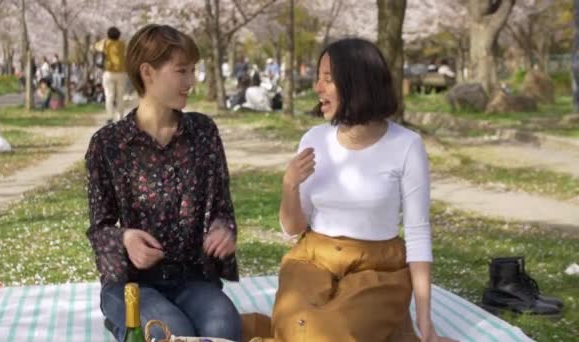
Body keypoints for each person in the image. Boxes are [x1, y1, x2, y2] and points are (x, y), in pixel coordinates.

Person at [267, 38, 456, 342]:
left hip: (378, 268)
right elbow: (293, 229)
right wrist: (289, 186)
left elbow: (418, 235)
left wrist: (426, 325)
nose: (317, 87)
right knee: (295, 323)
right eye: (319, 78)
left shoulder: (406, 145)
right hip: (312, 258)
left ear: (357, 84)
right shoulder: (313, 139)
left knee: (330, 333)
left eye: (328, 79)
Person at [85, 24, 242, 342]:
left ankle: (130, 328)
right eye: (182, 71)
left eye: (193, 71)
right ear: (148, 72)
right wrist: (127, 238)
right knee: (173, 333)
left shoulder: (203, 133)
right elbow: (99, 228)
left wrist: (223, 230)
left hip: (192, 278)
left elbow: (222, 210)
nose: (191, 81)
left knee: (224, 330)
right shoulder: (108, 144)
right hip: (132, 284)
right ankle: (122, 325)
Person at [94, 26, 128, 122]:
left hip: (109, 72)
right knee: (120, 95)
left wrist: (105, 40)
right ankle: (120, 116)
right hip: (122, 72)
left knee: (109, 95)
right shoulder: (122, 44)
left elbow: (96, 46)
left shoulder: (106, 43)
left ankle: (110, 116)